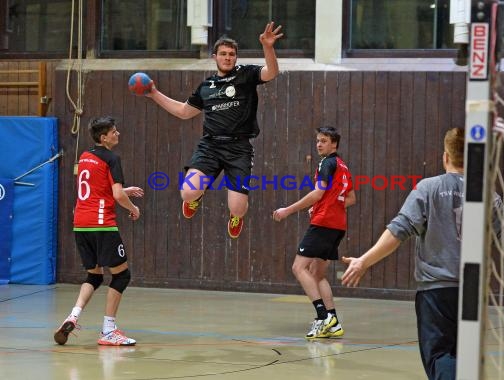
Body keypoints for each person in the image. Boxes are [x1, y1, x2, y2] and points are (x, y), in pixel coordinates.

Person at [341, 127, 504, 379]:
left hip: (436, 293)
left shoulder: (428, 188)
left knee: (440, 358)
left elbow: (398, 230)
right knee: (465, 361)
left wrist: (364, 261)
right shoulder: (488, 194)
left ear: (445, 156)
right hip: (473, 294)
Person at [146, 22, 283, 239]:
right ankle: (197, 197)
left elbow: (272, 72)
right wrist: (154, 93)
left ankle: (235, 216)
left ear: (236, 57)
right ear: (215, 57)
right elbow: (183, 111)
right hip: (210, 146)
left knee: (237, 207)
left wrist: (268, 47)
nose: (228, 57)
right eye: (223, 54)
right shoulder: (205, 87)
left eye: (231, 54)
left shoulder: (246, 75)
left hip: (239, 148)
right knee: (188, 192)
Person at [54, 116, 143, 346]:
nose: (118, 134)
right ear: (104, 137)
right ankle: (108, 330)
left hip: (81, 223)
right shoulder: (112, 158)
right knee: (122, 275)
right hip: (102, 225)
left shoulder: (85, 156)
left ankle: (73, 315)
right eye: (114, 132)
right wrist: (133, 208)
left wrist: (125, 190)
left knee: (94, 275)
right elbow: (116, 195)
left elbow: (98, 186)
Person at [273, 126, 356, 339]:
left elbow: (318, 192)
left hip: (323, 224)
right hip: (337, 225)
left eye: (324, 141)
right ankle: (333, 321)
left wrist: (287, 210)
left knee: (298, 267)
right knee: (318, 274)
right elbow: (350, 199)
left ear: (334, 143)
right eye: (318, 140)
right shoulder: (343, 166)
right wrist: (327, 205)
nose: (319, 144)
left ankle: (322, 317)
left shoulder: (326, 163)